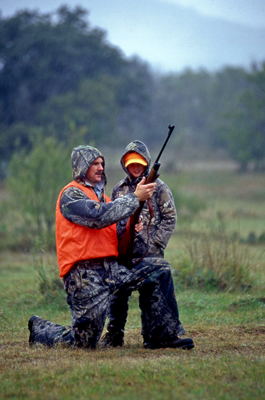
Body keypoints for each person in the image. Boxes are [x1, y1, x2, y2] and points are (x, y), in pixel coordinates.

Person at [28, 144, 194, 350]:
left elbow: (113, 233)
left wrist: (130, 230)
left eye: (102, 164)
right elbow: (97, 217)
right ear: (81, 166)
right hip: (84, 276)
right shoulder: (71, 195)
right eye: (94, 164)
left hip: (111, 270)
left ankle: (161, 336)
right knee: (83, 343)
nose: (100, 168)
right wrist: (135, 198)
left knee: (159, 269)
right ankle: (40, 328)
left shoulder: (105, 199)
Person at [102, 140, 192, 350]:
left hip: (151, 256)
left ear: (146, 164)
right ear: (125, 164)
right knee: (117, 294)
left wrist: (156, 243)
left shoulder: (159, 188)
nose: (135, 167)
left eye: (139, 163)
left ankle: (154, 336)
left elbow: (170, 217)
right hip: (124, 253)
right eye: (131, 163)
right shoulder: (118, 189)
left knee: (152, 294)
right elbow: (113, 220)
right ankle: (114, 335)